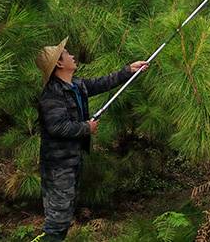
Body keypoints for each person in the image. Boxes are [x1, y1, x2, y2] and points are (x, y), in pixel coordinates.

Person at [34, 37, 148, 241]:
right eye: (67, 53)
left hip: (71, 161)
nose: (72, 55)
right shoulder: (52, 93)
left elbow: (102, 83)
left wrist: (128, 70)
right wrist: (86, 127)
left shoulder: (76, 85)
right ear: (59, 63)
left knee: (64, 215)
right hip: (58, 166)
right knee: (57, 219)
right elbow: (57, 127)